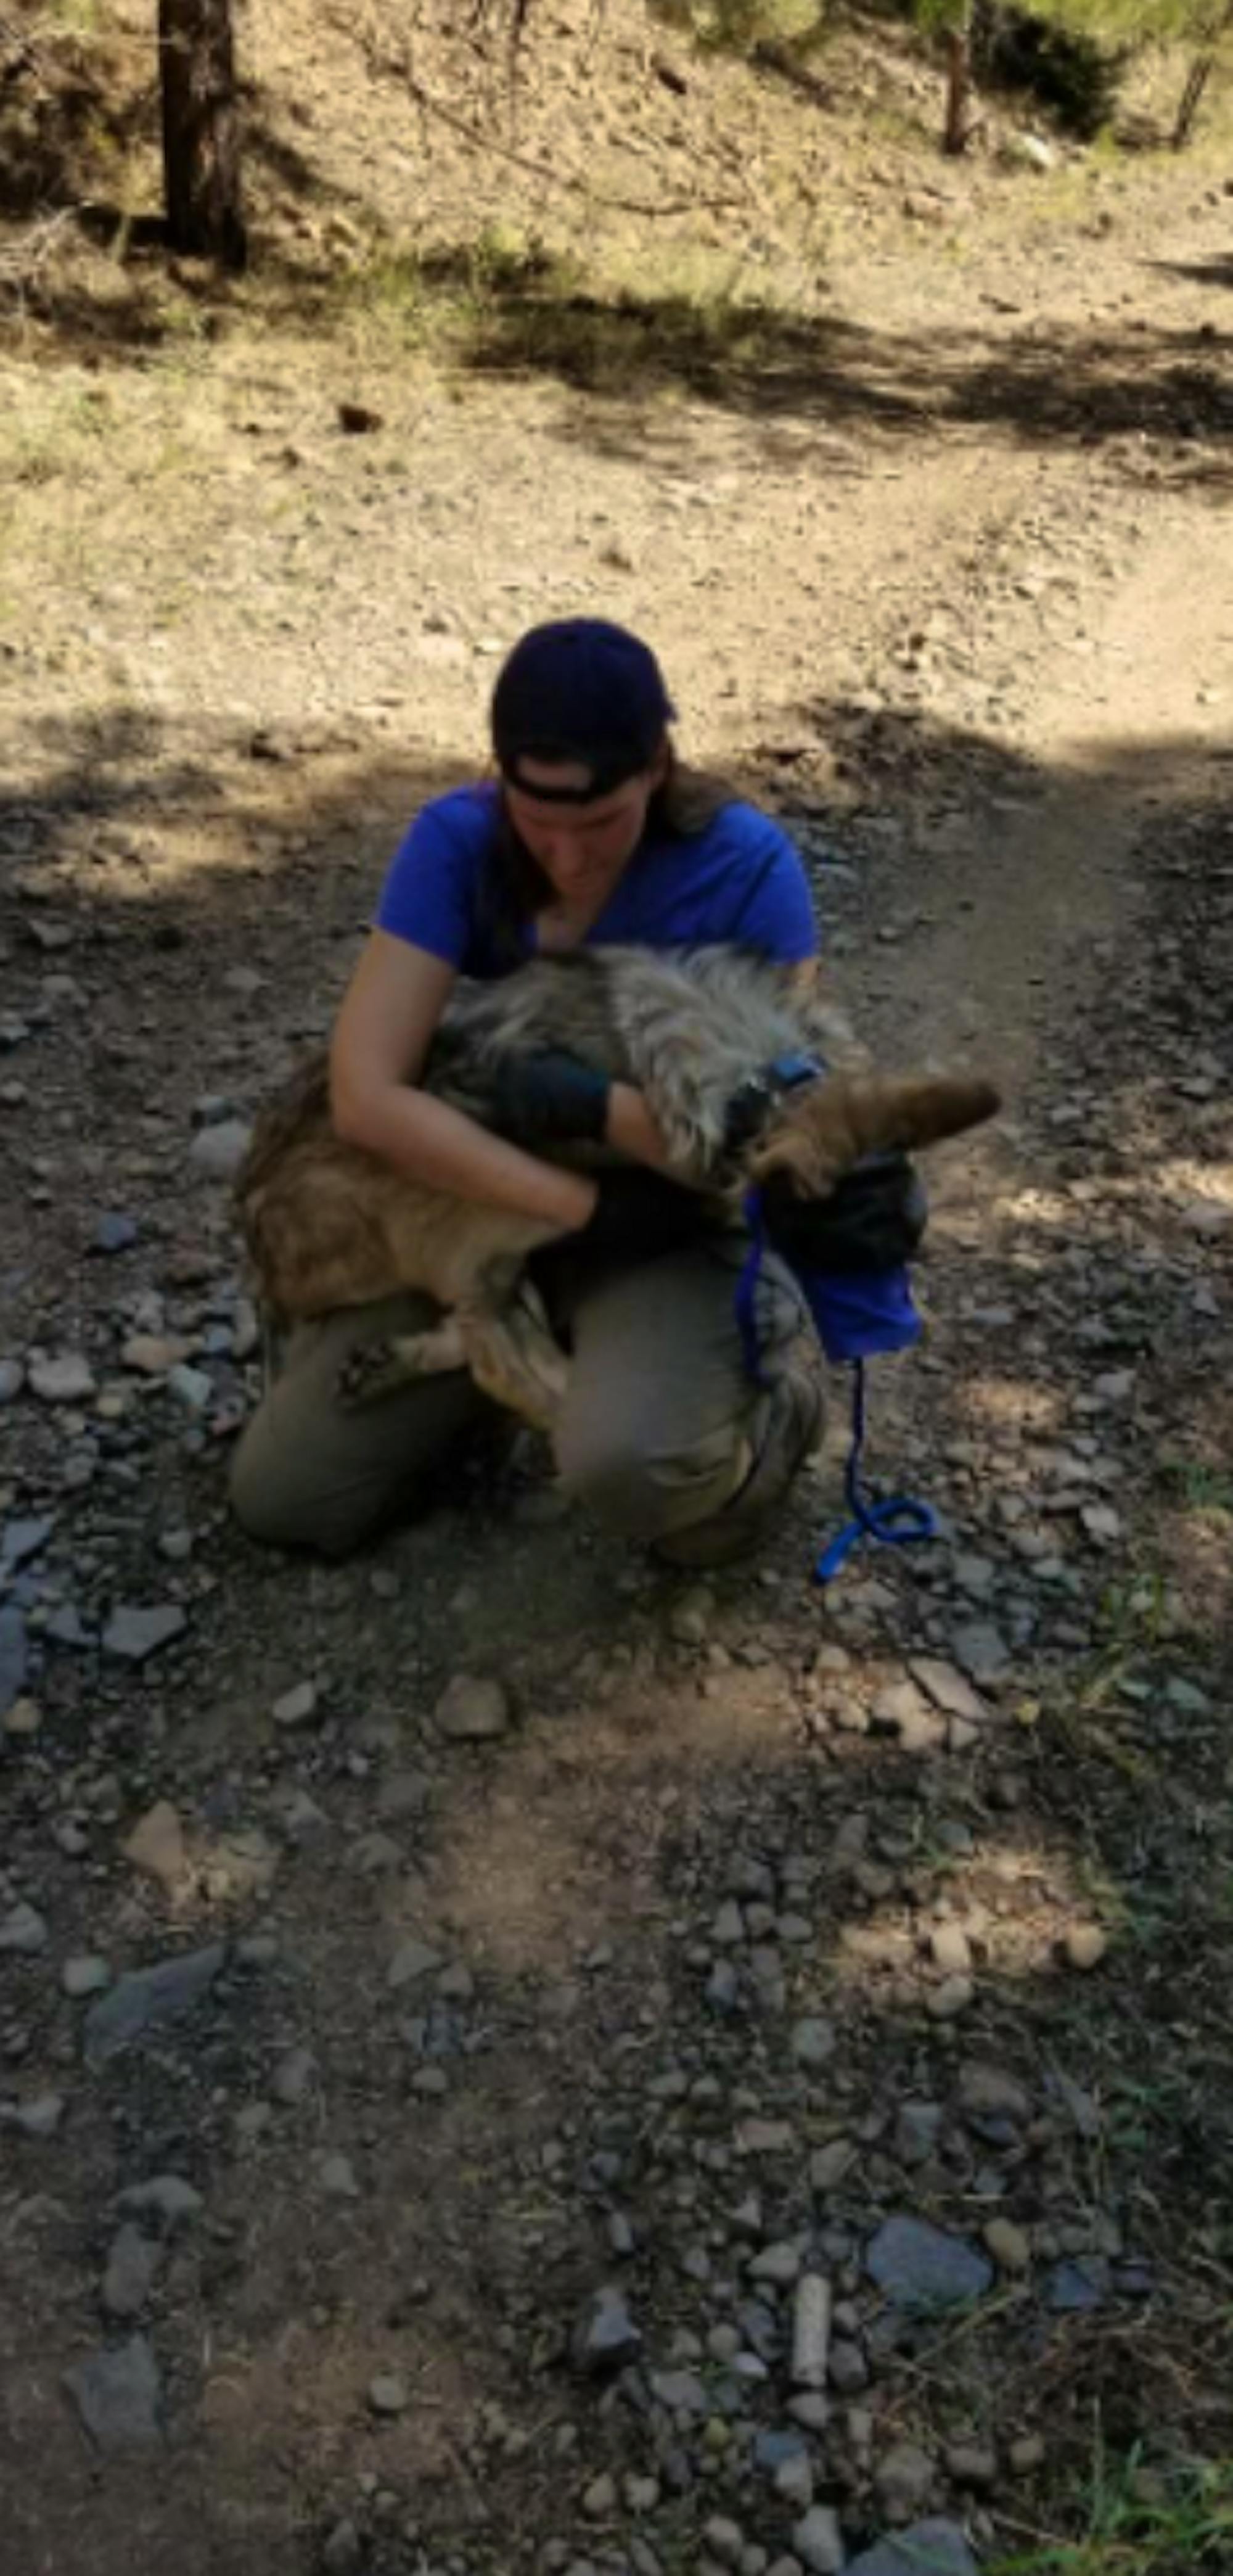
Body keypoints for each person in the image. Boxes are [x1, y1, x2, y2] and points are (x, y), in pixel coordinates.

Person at [229, 619, 902, 1564]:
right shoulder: (456, 841)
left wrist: (599, 1114)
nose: (568, 855)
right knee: (287, 1501)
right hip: (485, 1207)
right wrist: (573, 1206)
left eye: (599, 822)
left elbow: (754, 1133)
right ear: (496, 775)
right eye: (535, 820)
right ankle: (493, 1378)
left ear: (658, 768)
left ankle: (778, 1410)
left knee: (654, 1490)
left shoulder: (747, 870)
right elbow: (367, 1097)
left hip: (661, 1221)